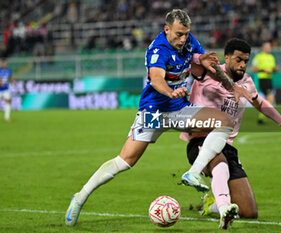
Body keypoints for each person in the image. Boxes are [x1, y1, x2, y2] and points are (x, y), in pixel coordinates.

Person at [65, 9, 251, 227]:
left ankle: (192, 173)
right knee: (125, 161)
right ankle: (80, 197)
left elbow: (207, 66)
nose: (183, 39)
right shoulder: (157, 50)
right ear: (167, 29)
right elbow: (156, 80)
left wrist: (232, 85)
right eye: (179, 34)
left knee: (224, 122)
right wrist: (170, 92)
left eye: (186, 34)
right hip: (154, 112)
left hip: (179, 109)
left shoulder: (189, 41)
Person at [181, 38, 281, 229]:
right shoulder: (209, 72)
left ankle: (211, 206)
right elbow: (187, 60)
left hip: (227, 146)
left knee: (249, 211)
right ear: (227, 57)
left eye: (246, 61)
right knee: (218, 161)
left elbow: (260, 103)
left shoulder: (247, 82)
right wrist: (198, 57)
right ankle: (224, 211)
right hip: (200, 140)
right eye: (238, 59)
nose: (242, 65)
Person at [251, 41, 280, 124]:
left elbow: (272, 69)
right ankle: (262, 117)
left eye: (270, 47)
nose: (269, 48)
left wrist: (275, 69)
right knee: (270, 98)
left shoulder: (271, 57)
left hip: (269, 79)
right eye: (267, 47)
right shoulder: (258, 57)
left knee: (268, 99)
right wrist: (264, 70)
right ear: (263, 48)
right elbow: (253, 69)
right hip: (262, 79)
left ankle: (261, 117)